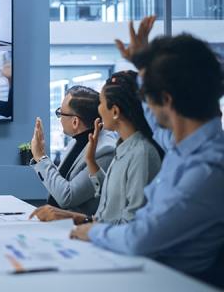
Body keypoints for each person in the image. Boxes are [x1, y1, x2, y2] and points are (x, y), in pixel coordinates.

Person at [70, 16, 224, 286]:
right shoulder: (183, 143)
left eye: (147, 99)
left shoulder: (207, 171)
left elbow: (139, 238)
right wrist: (143, 65)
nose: (145, 108)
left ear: (166, 100)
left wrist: (92, 231)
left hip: (167, 282)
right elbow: (155, 119)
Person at [30, 71, 163, 225]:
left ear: (114, 112)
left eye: (101, 103)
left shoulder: (139, 153)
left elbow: (131, 223)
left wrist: (86, 225)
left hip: (109, 242)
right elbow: (108, 202)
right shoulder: (123, 147)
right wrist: (91, 163)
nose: (97, 111)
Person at [30, 86, 117, 216]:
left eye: (60, 113)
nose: (59, 118)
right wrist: (41, 155)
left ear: (75, 122)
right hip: (57, 223)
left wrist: (41, 157)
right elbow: (60, 182)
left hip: (79, 228)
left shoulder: (105, 150)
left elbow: (67, 196)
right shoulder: (75, 141)